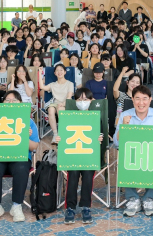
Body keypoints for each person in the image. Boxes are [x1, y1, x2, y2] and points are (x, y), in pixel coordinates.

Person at [0, 90, 39, 223]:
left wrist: (25, 136)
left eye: (15, 100)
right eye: (7, 100)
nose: (11, 102)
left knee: (21, 168)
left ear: (21, 103)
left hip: (18, 158)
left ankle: (16, 206)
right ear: (2, 103)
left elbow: (34, 147)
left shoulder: (28, 121)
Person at [114, 85, 153, 217]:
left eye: (144, 99)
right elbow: (117, 142)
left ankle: (148, 199)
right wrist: (124, 126)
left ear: (150, 99)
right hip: (132, 157)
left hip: (152, 156)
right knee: (126, 159)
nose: (141, 103)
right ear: (133, 100)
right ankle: (132, 199)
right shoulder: (125, 115)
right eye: (137, 99)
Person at [55, 88, 104, 224]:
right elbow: (62, 136)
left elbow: (101, 138)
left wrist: (100, 139)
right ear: (75, 102)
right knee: (73, 175)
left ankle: (85, 207)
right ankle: (70, 207)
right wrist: (59, 139)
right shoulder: (70, 117)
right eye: (79, 99)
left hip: (89, 156)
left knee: (88, 176)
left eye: (86, 99)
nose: (83, 102)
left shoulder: (95, 117)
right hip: (73, 155)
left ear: (91, 101)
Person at [39, 64, 74, 142]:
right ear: (55, 73)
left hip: (66, 103)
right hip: (55, 103)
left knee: (60, 109)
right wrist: (40, 73)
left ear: (65, 72)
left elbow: (69, 97)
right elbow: (42, 87)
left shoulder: (70, 84)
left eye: (61, 70)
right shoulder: (53, 84)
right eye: (57, 70)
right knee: (51, 110)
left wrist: (63, 103)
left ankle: (62, 133)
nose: (59, 72)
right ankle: (55, 134)